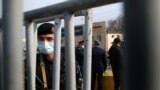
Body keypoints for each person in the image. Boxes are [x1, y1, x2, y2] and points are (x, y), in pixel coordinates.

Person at [25, 23, 83, 90]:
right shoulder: (30, 63)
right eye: (41, 39)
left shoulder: (69, 62)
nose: (45, 42)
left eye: (49, 39)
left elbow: (79, 85)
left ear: (58, 41)